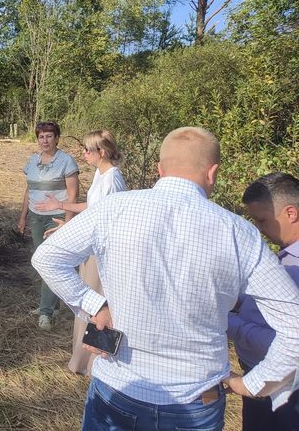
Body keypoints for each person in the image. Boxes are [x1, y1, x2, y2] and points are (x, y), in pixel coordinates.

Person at [32, 127, 299, 431]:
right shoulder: (239, 233)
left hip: (118, 387)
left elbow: (47, 257)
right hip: (196, 400)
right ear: (212, 173)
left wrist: (94, 305)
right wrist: (255, 384)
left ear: (160, 169)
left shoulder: (114, 209)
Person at [34, 129, 126, 375]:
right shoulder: (100, 174)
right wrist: (63, 209)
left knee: (96, 302)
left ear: (102, 152)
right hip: (90, 248)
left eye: (87, 149)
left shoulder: (113, 179)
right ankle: (82, 361)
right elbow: (92, 208)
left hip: (101, 252)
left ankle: (97, 363)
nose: (84, 154)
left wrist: (72, 230)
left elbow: (107, 221)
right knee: (86, 301)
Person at [228, 172, 299, 430]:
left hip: (280, 387)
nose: (258, 230)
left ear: (290, 213)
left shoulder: (294, 269)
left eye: (262, 220)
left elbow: (283, 340)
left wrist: (226, 321)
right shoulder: (286, 258)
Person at [17, 120, 79, 329]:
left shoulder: (66, 161)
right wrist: (23, 216)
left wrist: (67, 222)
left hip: (56, 218)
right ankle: (53, 303)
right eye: (41, 136)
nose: (45, 140)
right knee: (40, 261)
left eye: (49, 136)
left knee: (50, 262)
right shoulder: (32, 161)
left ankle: (45, 312)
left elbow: (73, 194)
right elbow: (29, 191)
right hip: (36, 217)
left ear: (57, 138)